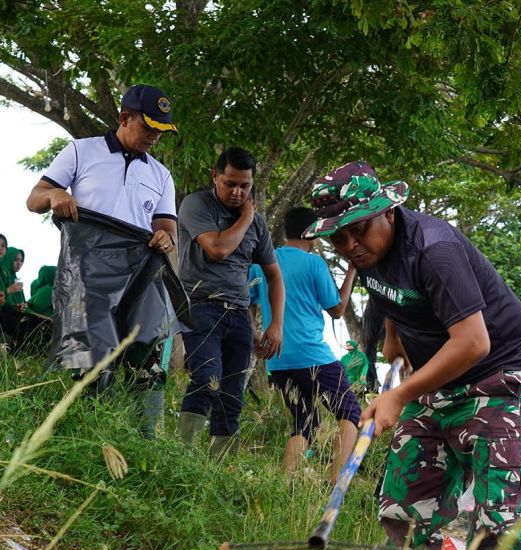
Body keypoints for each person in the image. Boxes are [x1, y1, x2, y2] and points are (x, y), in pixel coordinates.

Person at [302, 160, 521, 550]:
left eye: (359, 229)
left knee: (501, 526)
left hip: (498, 376)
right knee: (406, 507)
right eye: (339, 237)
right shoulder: (367, 256)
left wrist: (400, 394)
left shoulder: (435, 250)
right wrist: (394, 345)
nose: (351, 245)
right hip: (438, 381)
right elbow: (395, 300)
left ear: (388, 213)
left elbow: (473, 342)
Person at [24, 84, 179, 436]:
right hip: (86, 276)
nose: (155, 136)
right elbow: (34, 199)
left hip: (140, 276)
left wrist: (166, 236)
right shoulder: (81, 152)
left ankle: (145, 439)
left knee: (147, 354)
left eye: (161, 130)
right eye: (149, 126)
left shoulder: (160, 174)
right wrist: (56, 194)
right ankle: (87, 432)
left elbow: (167, 225)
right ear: (125, 118)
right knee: (92, 357)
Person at [176, 146, 284, 458]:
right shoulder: (196, 204)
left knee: (232, 395)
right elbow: (218, 249)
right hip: (199, 305)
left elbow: (274, 276)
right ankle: (181, 458)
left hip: (239, 314)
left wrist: (276, 323)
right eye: (230, 184)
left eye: (245, 186)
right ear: (215, 177)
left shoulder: (259, 225)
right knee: (207, 377)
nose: (238, 192)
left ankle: (218, 468)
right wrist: (248, 215)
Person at [247, 207, 360, 480]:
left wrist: (254, 338)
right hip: (313, 355)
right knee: (351, 412)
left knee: (304, 423)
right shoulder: (314, 264)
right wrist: (352, 271)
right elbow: (337, 309)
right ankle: (337, 482)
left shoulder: (262, 261)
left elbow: (245, 305)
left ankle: (286, 484)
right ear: (313, 232)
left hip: (279, 358)